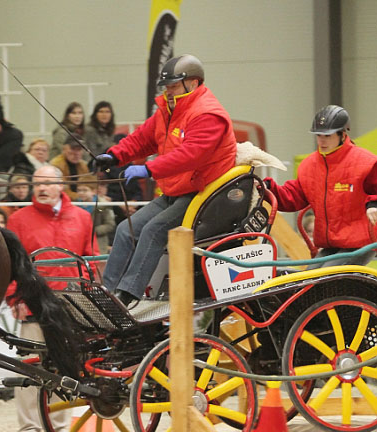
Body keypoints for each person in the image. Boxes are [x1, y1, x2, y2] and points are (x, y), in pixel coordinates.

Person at [96, 54, 236, 306]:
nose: (168, 91)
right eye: (166, 87)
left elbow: (190, 155)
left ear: (192, 83)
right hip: (176, 190)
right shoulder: (168, 110)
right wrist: (114, 155)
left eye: (173, 86)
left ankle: (126, 296)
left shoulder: (208, 114)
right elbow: (142, 138)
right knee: (125, 230)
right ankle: (107, 292)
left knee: (153, 230)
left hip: (202, 193)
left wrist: (149, 169)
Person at [6, 165, 96, 432]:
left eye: (47, 183)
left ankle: (59, 426)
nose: (41, 189)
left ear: (61, 185)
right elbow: (10, 264)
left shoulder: (82, 217)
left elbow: (89, 260)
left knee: (64, 364)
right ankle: (28, 430)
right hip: (32, 303)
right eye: (37, 184)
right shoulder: (18, 219)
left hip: (70, 303)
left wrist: (88, 294)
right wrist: (14, 298)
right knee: (29, 366)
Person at [263, 105, 377, 267]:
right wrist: (267, 188)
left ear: (342, 134)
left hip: (361, 243)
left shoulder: (365, 162)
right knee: (309, 279)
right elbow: (292, 198)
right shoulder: (309, 166)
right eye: (318, 135)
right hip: (330, 244)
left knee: (324, 280)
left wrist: (374, 204)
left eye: (327, 135)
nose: (322, 140)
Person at [75, 183, 116, 253]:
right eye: (79, 190)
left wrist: (92, 231)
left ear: (93, 191)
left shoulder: (103, 205)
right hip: (78, 243)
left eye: (85, 190)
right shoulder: (74, 205)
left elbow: (110, 225)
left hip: (98, 243)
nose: (81, 193)